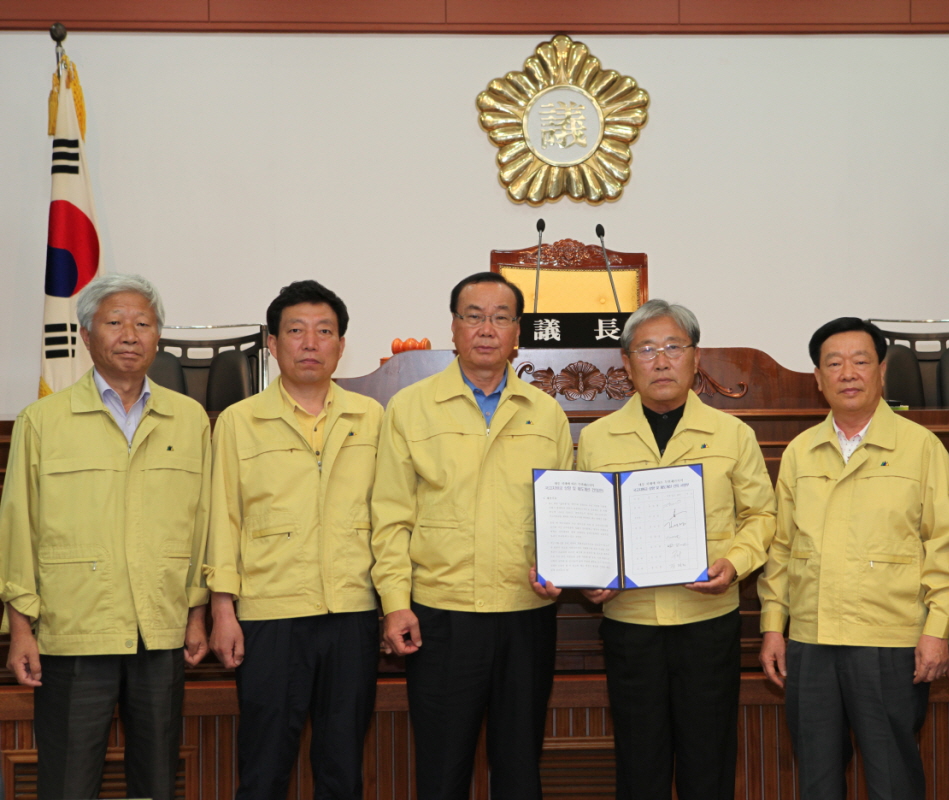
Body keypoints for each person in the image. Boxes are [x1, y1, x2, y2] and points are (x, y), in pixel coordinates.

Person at [534, 299, 775, 800]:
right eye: (646, 349)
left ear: (694, 357)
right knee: (639, 762)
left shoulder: (733, 434)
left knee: (707, 760)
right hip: (631, 627)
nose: (661, 361)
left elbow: (762, 517)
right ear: (626, 363)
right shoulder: (597, 438)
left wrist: (734, 564)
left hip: (707, 622)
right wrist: (587, 578)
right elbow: (583, 524)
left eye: (672, 347)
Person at [0, 274, 210, 800]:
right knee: (68, 783)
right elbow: (17, 527)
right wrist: (20, 628)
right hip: (73, 630)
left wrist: (197, 612)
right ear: (86, 335)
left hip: (159, 630)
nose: (130, 334)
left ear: (158, 337)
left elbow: (204, 525)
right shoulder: (43, 420)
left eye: (143, 323)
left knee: (157, 782)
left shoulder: (188, 420)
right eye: (114, 322)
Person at [372, 272, 573, 800]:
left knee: (519, 771)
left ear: (518, 333)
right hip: (440, 615)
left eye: (501, 317)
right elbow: (391, 517)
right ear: (454, 328)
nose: (487, 329)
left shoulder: (545, 413)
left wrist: (564, 568)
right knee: (441, 773)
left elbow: (562, 515)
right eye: (473, 316)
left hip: (524, 612)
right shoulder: (410, 408)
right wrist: (395, 603)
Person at [756, 317, 949, 800]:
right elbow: (782, 547)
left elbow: (945, 545)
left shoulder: (921, 448)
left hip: (889, 643)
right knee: (817, 778)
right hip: (811, 640)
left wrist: (937, 631)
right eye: (834, 363)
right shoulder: (802, 452)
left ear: (882, 371)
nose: (848, 372)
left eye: (861, 361)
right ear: (818, 378)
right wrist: (772, 626)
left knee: (893, 778)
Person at [204, 280, 383, 797]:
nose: (310, 342)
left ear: (341, 345)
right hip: (269, 614)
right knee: (264, 767)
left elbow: (391, 515)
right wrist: (222, 609)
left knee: (342, 766)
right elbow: (224, 518)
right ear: (272, 343)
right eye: (296, 331)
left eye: (324, 331)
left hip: (351, 611)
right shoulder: (240, 421)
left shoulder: (370, 418)